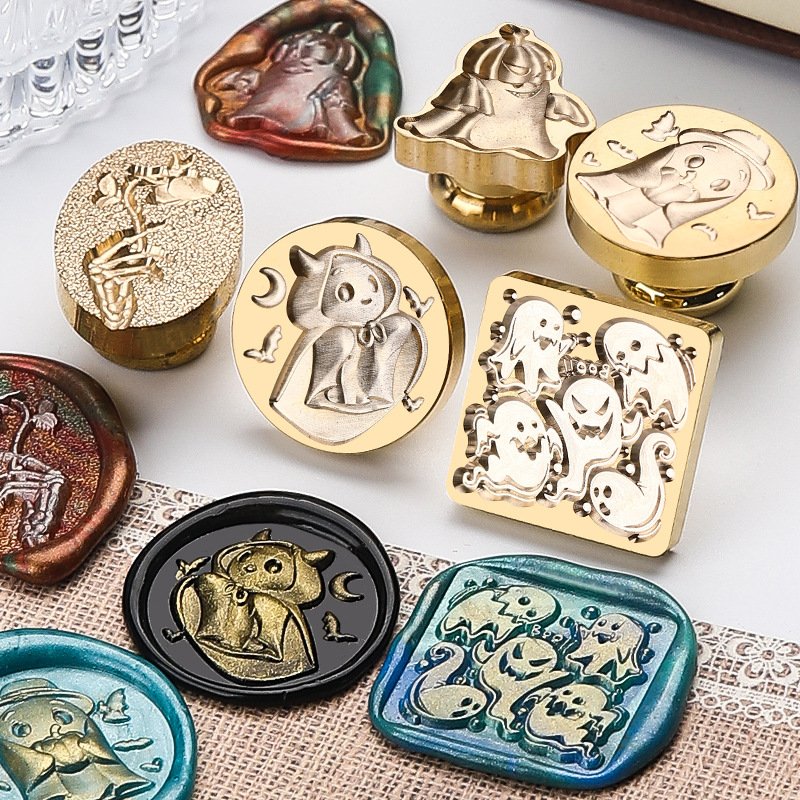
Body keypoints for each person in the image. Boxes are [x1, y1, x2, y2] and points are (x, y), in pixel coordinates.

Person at [577, 127, 774, 249]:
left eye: (720, 184)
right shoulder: (595, 186)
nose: (691, 176)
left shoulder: (650, 237)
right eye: (696, 160)